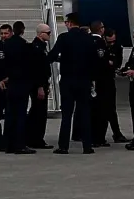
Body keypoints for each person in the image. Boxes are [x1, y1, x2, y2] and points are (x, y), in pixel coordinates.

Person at [47, 12, 98, 154]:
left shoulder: (64, 38)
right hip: (84, 81)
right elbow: (94, 61)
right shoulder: (88, 39)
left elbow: (52, 55)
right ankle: (87, 146)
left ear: (70, 23)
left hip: (68, 81)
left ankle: (63, 146)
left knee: (67, 115)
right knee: (85, 114)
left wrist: (56, 59)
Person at [2, 21, 35, 154]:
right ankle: (20, 144)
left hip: (11, 83)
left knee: (10, 115)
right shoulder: (24, 45)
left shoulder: (6, 45)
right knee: (21, 115)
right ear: (22, 30)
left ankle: (8, 144)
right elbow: (28, 65)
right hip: (22, 83)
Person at [26, 23, 53, 149]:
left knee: (38, 111)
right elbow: (37, 70)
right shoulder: (37, 48)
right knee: (39, 113)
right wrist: (40, 87)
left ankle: (33, 137)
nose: (50, 35)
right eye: (48, 33)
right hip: (38, 85)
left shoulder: (41, 46)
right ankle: (36, 139)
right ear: (40, 34)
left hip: (41, 83)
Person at [88, 20, 112, 148]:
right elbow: (102, 61)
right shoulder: (100, 43)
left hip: (89, 80)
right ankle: (99, 138)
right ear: (101, 29)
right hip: (101, 81)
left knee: (91, 111)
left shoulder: (86, 41)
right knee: (102, 111)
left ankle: (90, 136)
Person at [104, 27, 129, 143]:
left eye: (113, 41)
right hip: (100, 79)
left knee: (110, 108)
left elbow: (117, 63)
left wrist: (110, 63)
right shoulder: (100, 45)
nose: (111, 44)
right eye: (109, 42)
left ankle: (116, 132)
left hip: (109, 79)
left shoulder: (118, 47)